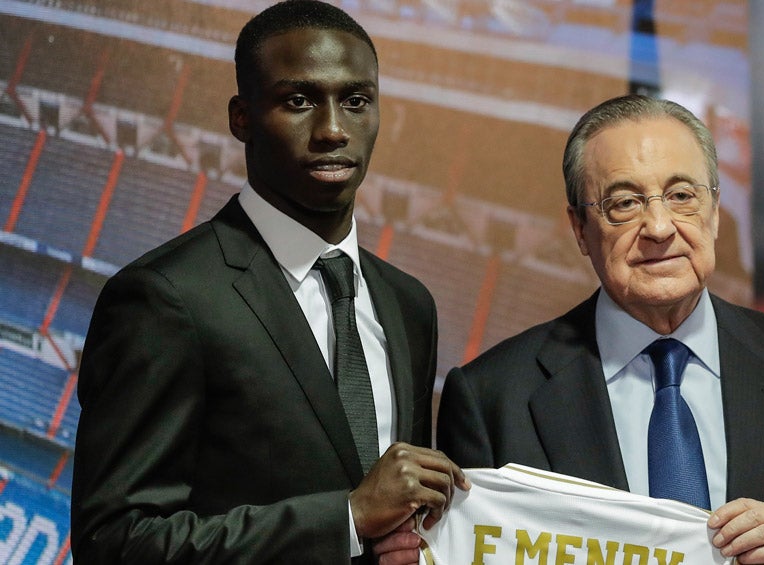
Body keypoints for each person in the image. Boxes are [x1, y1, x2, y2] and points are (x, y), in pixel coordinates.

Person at [381, 95, 764, 565]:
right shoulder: (492, 397)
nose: (658, 228)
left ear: (716, 211)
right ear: (580, 230)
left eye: (681, 195)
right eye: (624, 203)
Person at [70, 1, 467, 562]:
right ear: (241, 117)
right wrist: (346, 518)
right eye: (298, 101)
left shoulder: (408, 304)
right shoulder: (165, 297)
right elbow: (112, 542)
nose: (332, 130)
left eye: (355, 101)